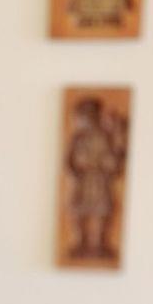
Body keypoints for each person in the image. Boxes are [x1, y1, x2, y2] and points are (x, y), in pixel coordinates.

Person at [66, 97, 127, 260]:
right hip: (83, 183)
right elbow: (71, 160)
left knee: (101, 212)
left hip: (100, 183)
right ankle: (81, 242)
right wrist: (77, 164)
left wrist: (106, 161)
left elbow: (113, 160)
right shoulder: (78, 138)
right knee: (80, 212)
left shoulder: (106, 137)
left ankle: (99, 244)